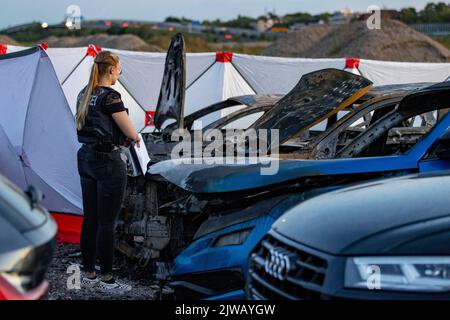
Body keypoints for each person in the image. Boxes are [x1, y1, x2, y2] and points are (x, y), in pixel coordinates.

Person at [75, 51, 140, 293]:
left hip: (85, 157)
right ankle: (108, 279)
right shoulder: (111, 97)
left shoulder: (85, 93)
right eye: (119, 69)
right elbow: (131, 133)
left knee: (90, 219)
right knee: (107, 223)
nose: (119, 74)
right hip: (108, 162)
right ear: (111, 70)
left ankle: (89, 273)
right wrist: (136, 138)